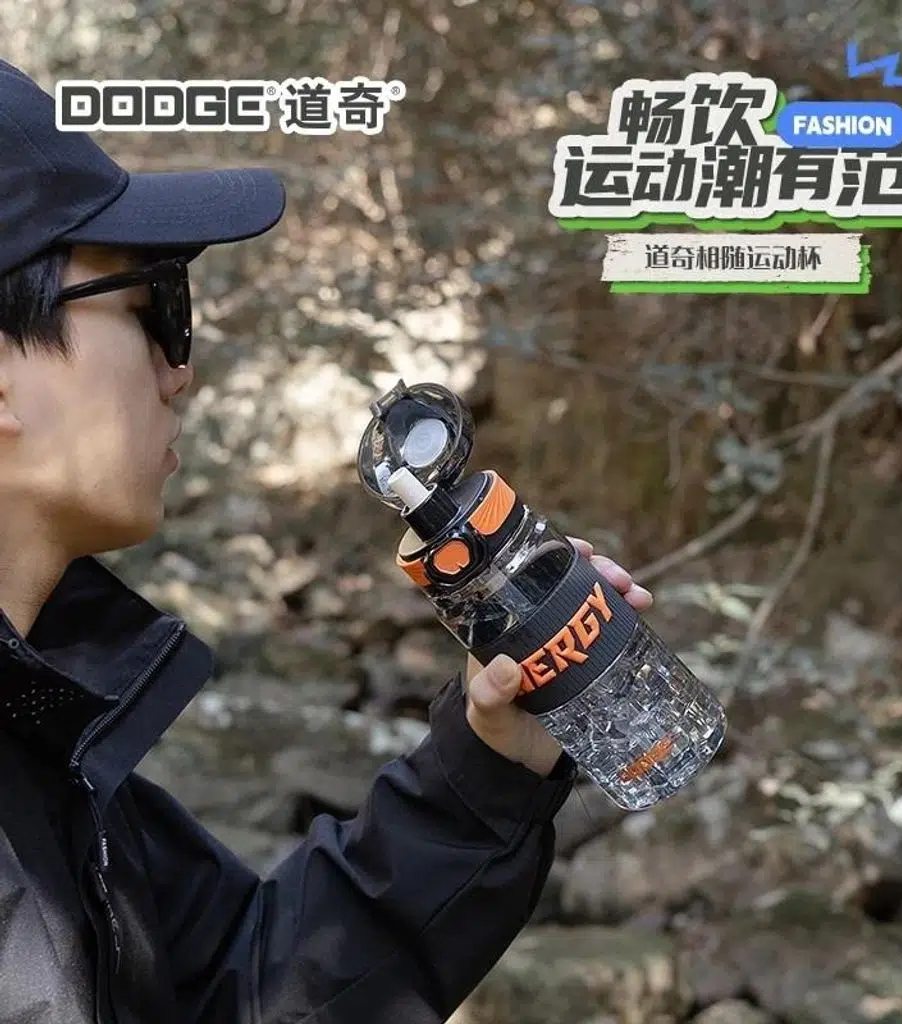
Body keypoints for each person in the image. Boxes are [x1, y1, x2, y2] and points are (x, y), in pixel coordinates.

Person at [0, 60, 655, 1024]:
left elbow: (244, 990)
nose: (179, 372)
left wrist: (492, 761)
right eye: (154, 307)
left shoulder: (45, 737)